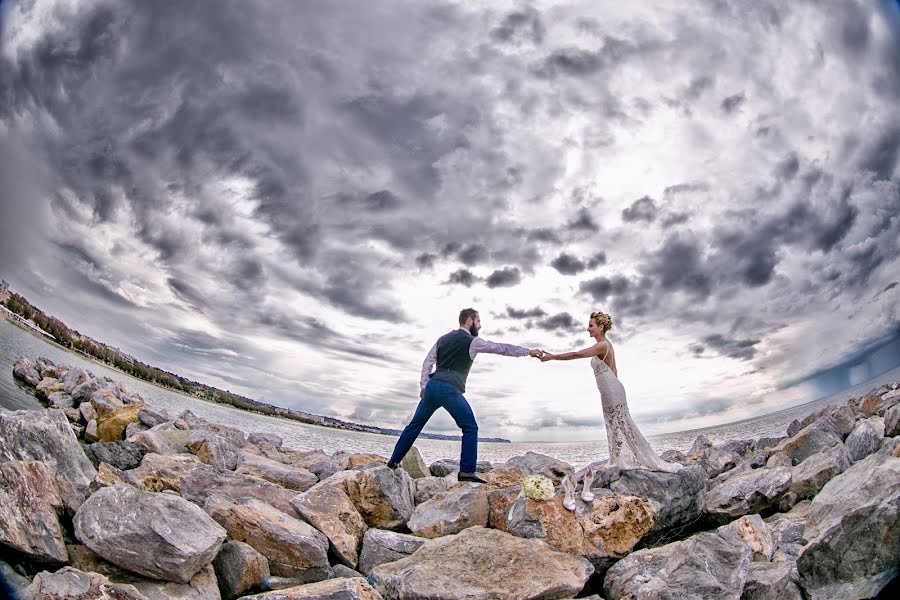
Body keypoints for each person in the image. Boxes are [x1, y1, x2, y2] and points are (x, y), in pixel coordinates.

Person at [540, 310, 681, 509]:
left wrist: (552, 356)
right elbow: (613, 369)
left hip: (612, 390)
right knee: (614, 425)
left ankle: (642, 458)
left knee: (622, 424)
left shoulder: (602, 345)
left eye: (591, 325)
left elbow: (577, 354)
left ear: (600, 327)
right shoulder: (606, 346)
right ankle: (617, 458)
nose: (588, 328)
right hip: (610, 388)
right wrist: (611, 386)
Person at [387, 308, 544, 483]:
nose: (480, 325)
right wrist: (528, 351)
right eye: (478, 321)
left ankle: (393, 461)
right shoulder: (473, 341)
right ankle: (467, 472)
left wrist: (424, 385)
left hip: (433, 386)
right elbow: (500, 348)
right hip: (449, 389)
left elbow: (428, 362)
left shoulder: (442, 339)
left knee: (414, 426)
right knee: (470, 427)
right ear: (469, 321)